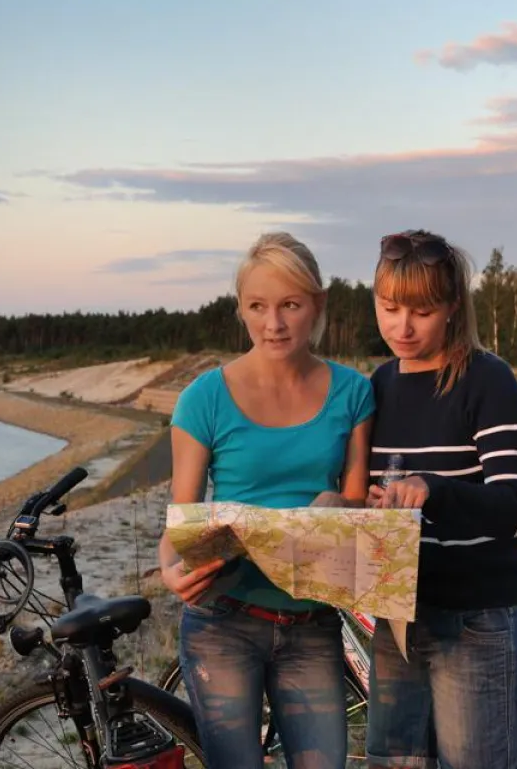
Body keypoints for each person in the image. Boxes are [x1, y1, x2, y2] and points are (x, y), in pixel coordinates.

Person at [157, 232, 375, 768]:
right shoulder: (203, 398)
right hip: (223, 624)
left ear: (317, 305)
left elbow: (355, 511)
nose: (273, 324)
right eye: (258, 307)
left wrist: (338, 508)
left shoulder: (354, 393)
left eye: (290, 305)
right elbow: (181, 518)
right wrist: (169, 569)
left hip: (313, 626)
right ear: (242, 310)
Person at [362, 229, 517, 769]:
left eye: (422, 311)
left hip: (475, 619)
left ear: (454, 308)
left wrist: (434, 490)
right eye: (389, 308)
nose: (403, 327)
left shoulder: (487, 379)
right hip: (398, 621)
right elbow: (375, 493)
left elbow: (515, 507)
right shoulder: (379, 386)